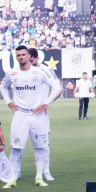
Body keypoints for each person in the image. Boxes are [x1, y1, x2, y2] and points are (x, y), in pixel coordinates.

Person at [0, 45, 57, 188]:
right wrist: (8, 102)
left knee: (40, 147)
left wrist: (46, 103)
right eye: (18, 55)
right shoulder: (12, 73)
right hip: (20, 114)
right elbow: (3, 86)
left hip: (37, 115)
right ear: (16, 57)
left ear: (28, 56)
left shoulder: (39, 72)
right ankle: (12, 178)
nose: (21, 57)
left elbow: (56, 87)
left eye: (23, 55)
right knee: (16, 148)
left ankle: (39, 177)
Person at [28, 48, 62, 182]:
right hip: (24, 113)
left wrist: (46, 104)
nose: (29, 63)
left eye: (31, 60)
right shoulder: (23, 71)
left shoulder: (46, 70)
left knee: (44, 143)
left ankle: (46, 171)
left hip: (40, 113)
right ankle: (16, 172)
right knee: (18, 144)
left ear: (37, 58)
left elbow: (59, 88)